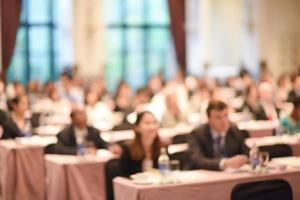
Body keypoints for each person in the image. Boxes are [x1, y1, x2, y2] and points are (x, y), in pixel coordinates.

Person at [188, 100, 249, 171]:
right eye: (218, 117)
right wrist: (224, 163)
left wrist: (246, 158)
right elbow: (197, 161)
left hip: (232, 175)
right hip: (207, 177)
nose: (224, 121)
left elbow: (247, 152)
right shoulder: (197, 134)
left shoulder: (234, 130)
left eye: (226, 115)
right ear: (209, 119)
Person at [54, 106, 121, 155]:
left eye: (84, 113)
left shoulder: (93, 131)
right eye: (80, 114)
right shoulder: (64, 134)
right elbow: (59, 149)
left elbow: (102, 143)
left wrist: (111, 147)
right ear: (72, 118)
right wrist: (82, 151)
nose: (84, 117)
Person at [119, 111, 163, 177]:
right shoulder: (128, 149)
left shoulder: (163, 147)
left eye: (154, 122)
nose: (152, 127)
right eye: (147, 123)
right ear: (137, 128)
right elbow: (122, 176)